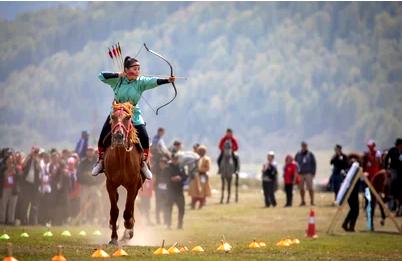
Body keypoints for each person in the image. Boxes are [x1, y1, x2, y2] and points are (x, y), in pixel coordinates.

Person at [91, 56, 176, 179]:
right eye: (134, 69)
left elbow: (153, 81)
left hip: (133, 114)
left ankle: (143, 163)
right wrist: (118, 75)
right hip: (116, 113)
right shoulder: (118, 80)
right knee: (103, 136)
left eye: (138, 69)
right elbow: (101, 76)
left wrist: (167, 80)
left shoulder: (141, 82)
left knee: (145, 137)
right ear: (126, 70)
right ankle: (100, 161)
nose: (137, 71)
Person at [362, 139, 382, 231]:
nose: (369, 148)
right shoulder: (366, 156)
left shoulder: (377, 153)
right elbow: (364, 167)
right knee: (368, 201)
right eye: (369, 147)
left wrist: (370, 157)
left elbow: (378, 163)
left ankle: (382, 217)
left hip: (376, 182)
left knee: (377, 200)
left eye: (371, 146)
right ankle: (370, 223)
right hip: (368, 181)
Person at [165, 154, 187, 229]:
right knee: (169, 209)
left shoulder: (181, 167)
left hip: (179, 191)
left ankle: (180, 225)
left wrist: (180, 178)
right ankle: (168, 225)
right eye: (174, 159)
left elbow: (185, 177)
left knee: (182, 208)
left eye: (176, 159)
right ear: (172, 159)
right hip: (170, 191)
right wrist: (172, 179)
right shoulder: (167, 167)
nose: (175, 160)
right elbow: (164, 178)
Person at [342, 153, 362, 232]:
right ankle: (350, 226)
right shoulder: (350, 171)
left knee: (353, 210)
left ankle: (347, 224)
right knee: (355, 210)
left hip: (353, 193)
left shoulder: (353, 171)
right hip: (351, 194)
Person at [189, 145, 212, 209]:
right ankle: (193, 203)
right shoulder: (195, 158)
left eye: (202, 151)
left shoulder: (207, 159)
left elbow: (208, 168)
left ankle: (201, 203)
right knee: (194, 189)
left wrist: (200, 169)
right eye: (200, 151)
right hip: (195, 176)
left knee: (202, 190)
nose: (201, 152)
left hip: (203, 176)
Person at [295, 141, 316, 206]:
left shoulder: (310, 154)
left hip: (308, 173)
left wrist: (313, 173)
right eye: (303, 146)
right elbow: (295, 164)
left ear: (307, 146)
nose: (304, 147)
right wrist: (296, 173)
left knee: (310, 188)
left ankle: (312, 201)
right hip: (300, 173)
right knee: (301, 188)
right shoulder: (298, 154)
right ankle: (303, 201)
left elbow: (314, 164)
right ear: (301, 146)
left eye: (305, 146)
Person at [0, 151, 19, 225]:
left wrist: (15, 173)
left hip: (13, 190)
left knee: (12, 206)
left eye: (11, 160)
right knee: (3, 205)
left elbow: (20, 177)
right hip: (4, 189)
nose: (10, 161)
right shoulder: (2, 169)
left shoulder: (16, 168)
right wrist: (6, 174)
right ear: (6, 161)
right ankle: (2, 220)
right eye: (8, 160)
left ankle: (10, 221)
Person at [384, 138, 402, 213]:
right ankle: (391, 195)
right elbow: (387, 159)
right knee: (394, 180)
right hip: (394, 169)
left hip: (401, 170)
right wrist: (386, 168)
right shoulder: (392, 150)